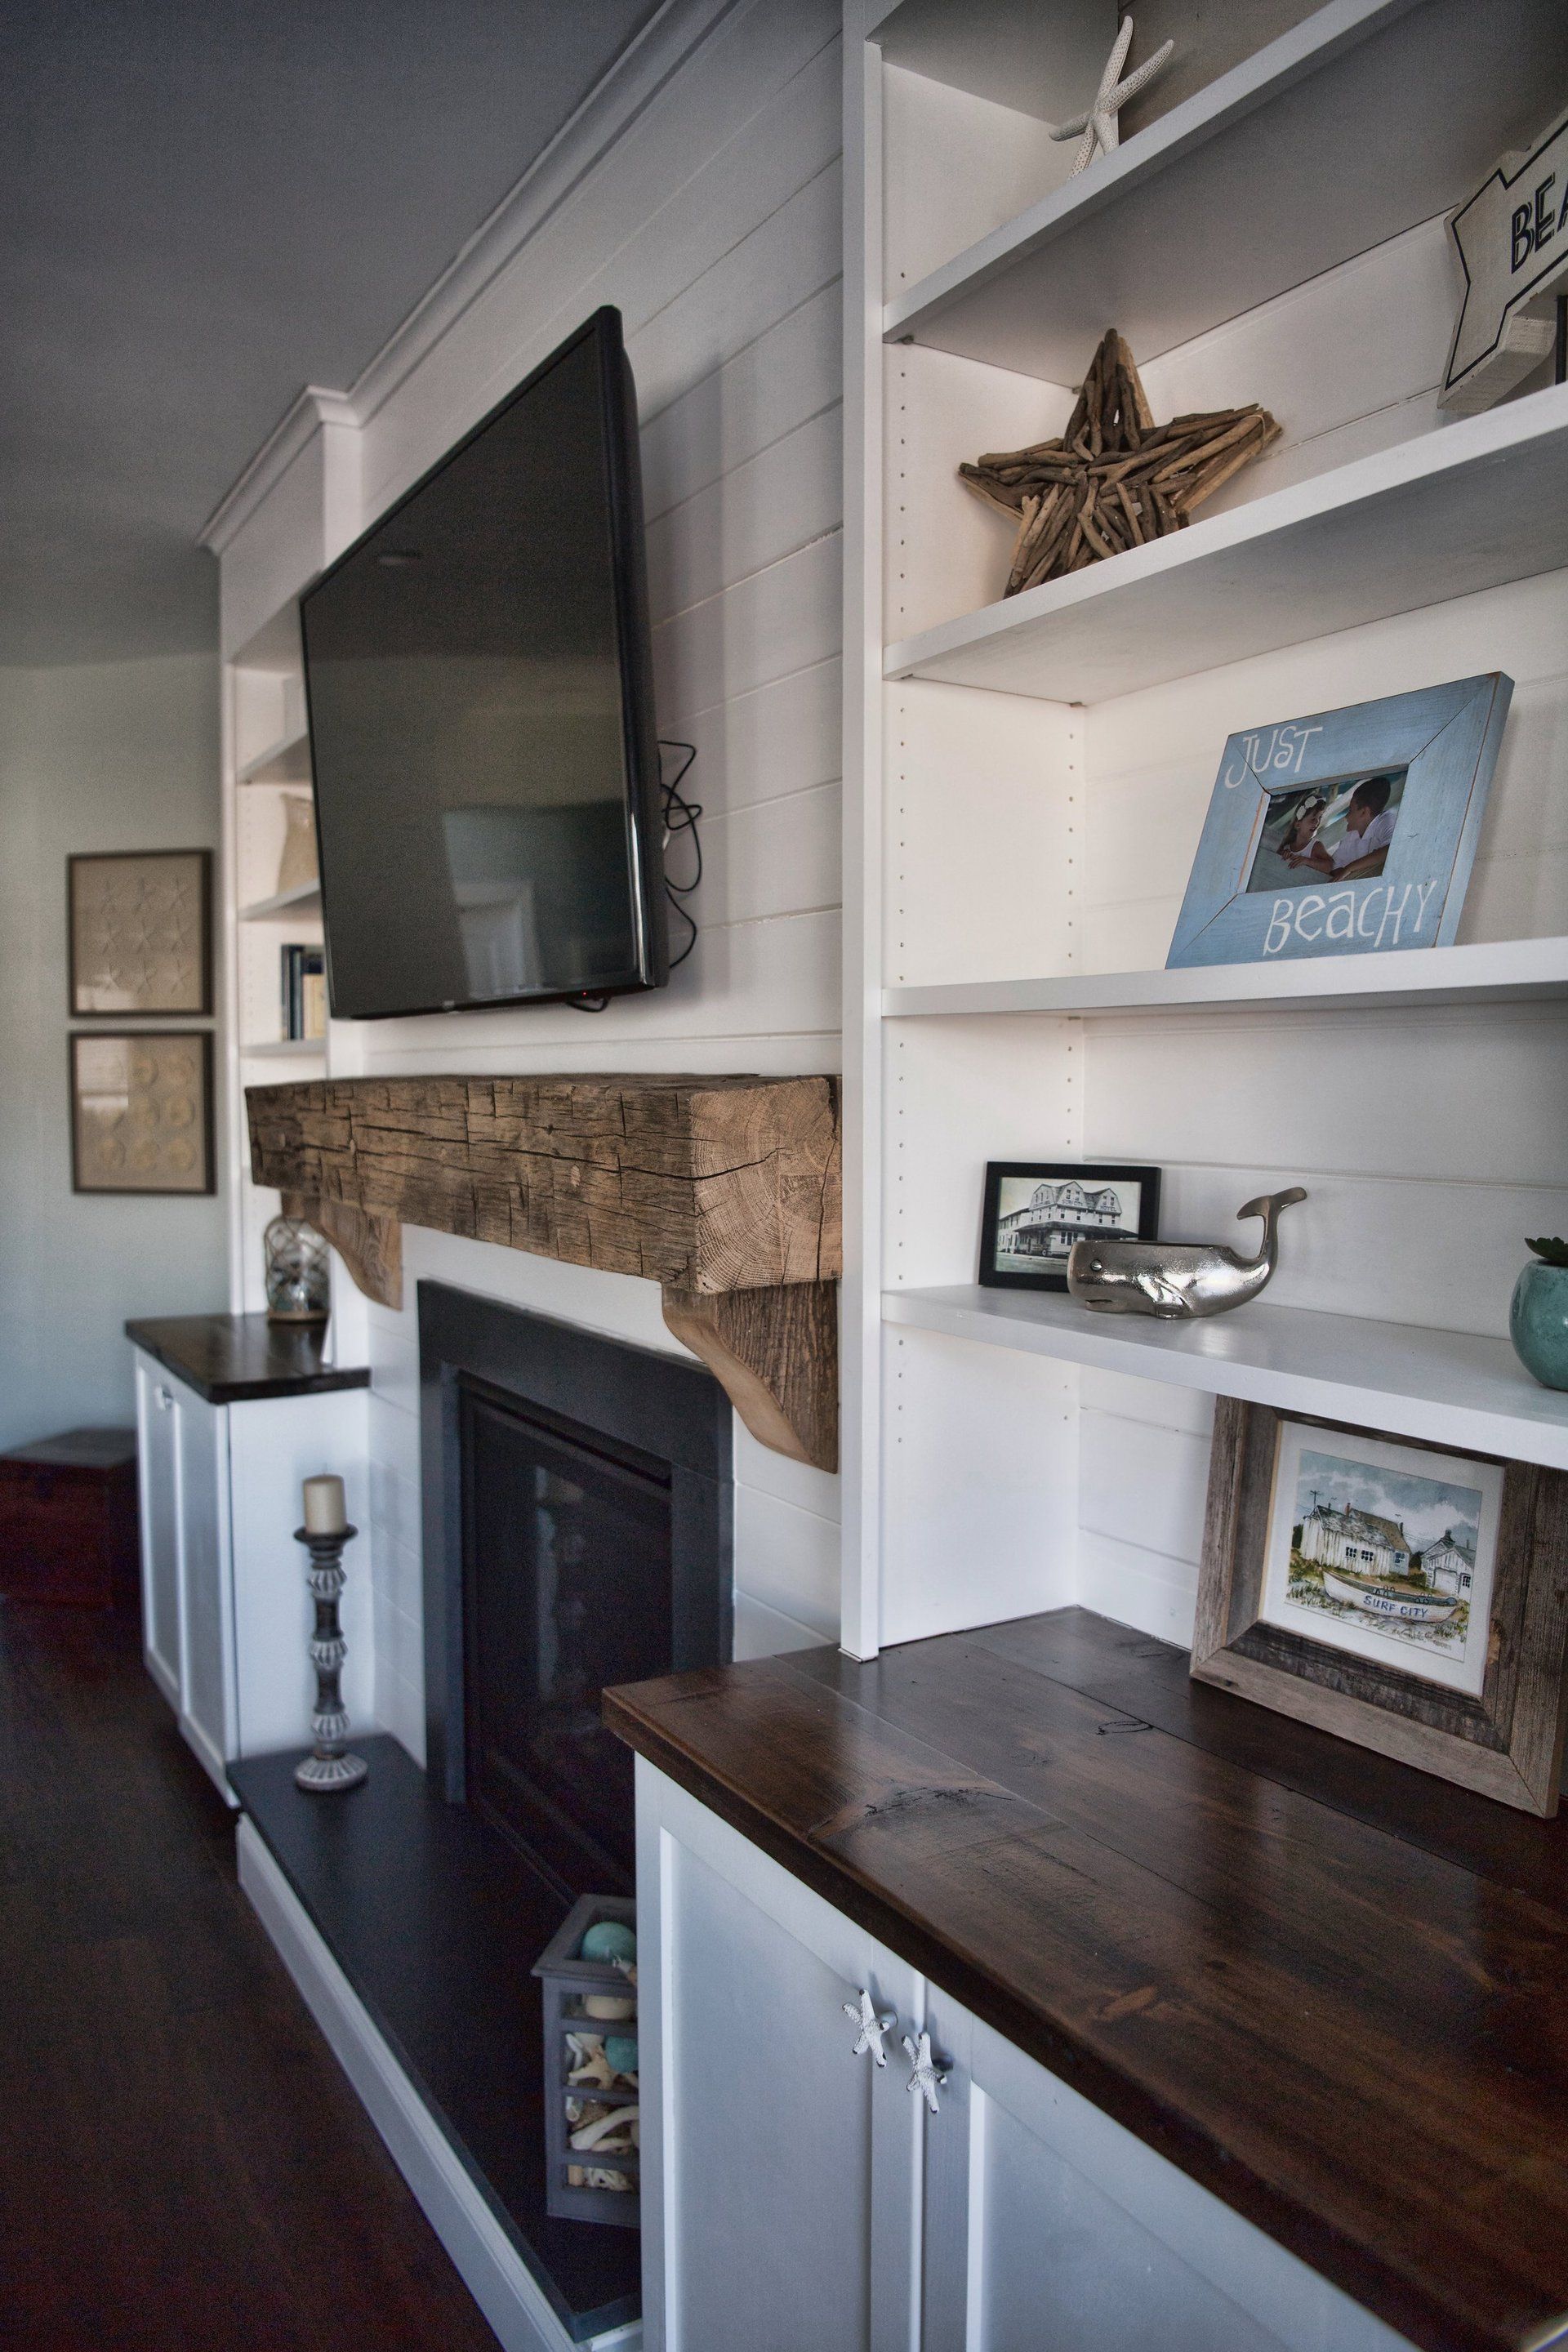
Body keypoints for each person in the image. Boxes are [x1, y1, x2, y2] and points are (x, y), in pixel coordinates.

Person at [1292, 774, 1398, 881]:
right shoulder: (1353, 835)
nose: (1346, 817)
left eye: (1350, 810)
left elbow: (1392, 849)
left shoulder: (1386, 820)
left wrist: (1350, 868)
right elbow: (1334, 867)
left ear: (1363, 812)